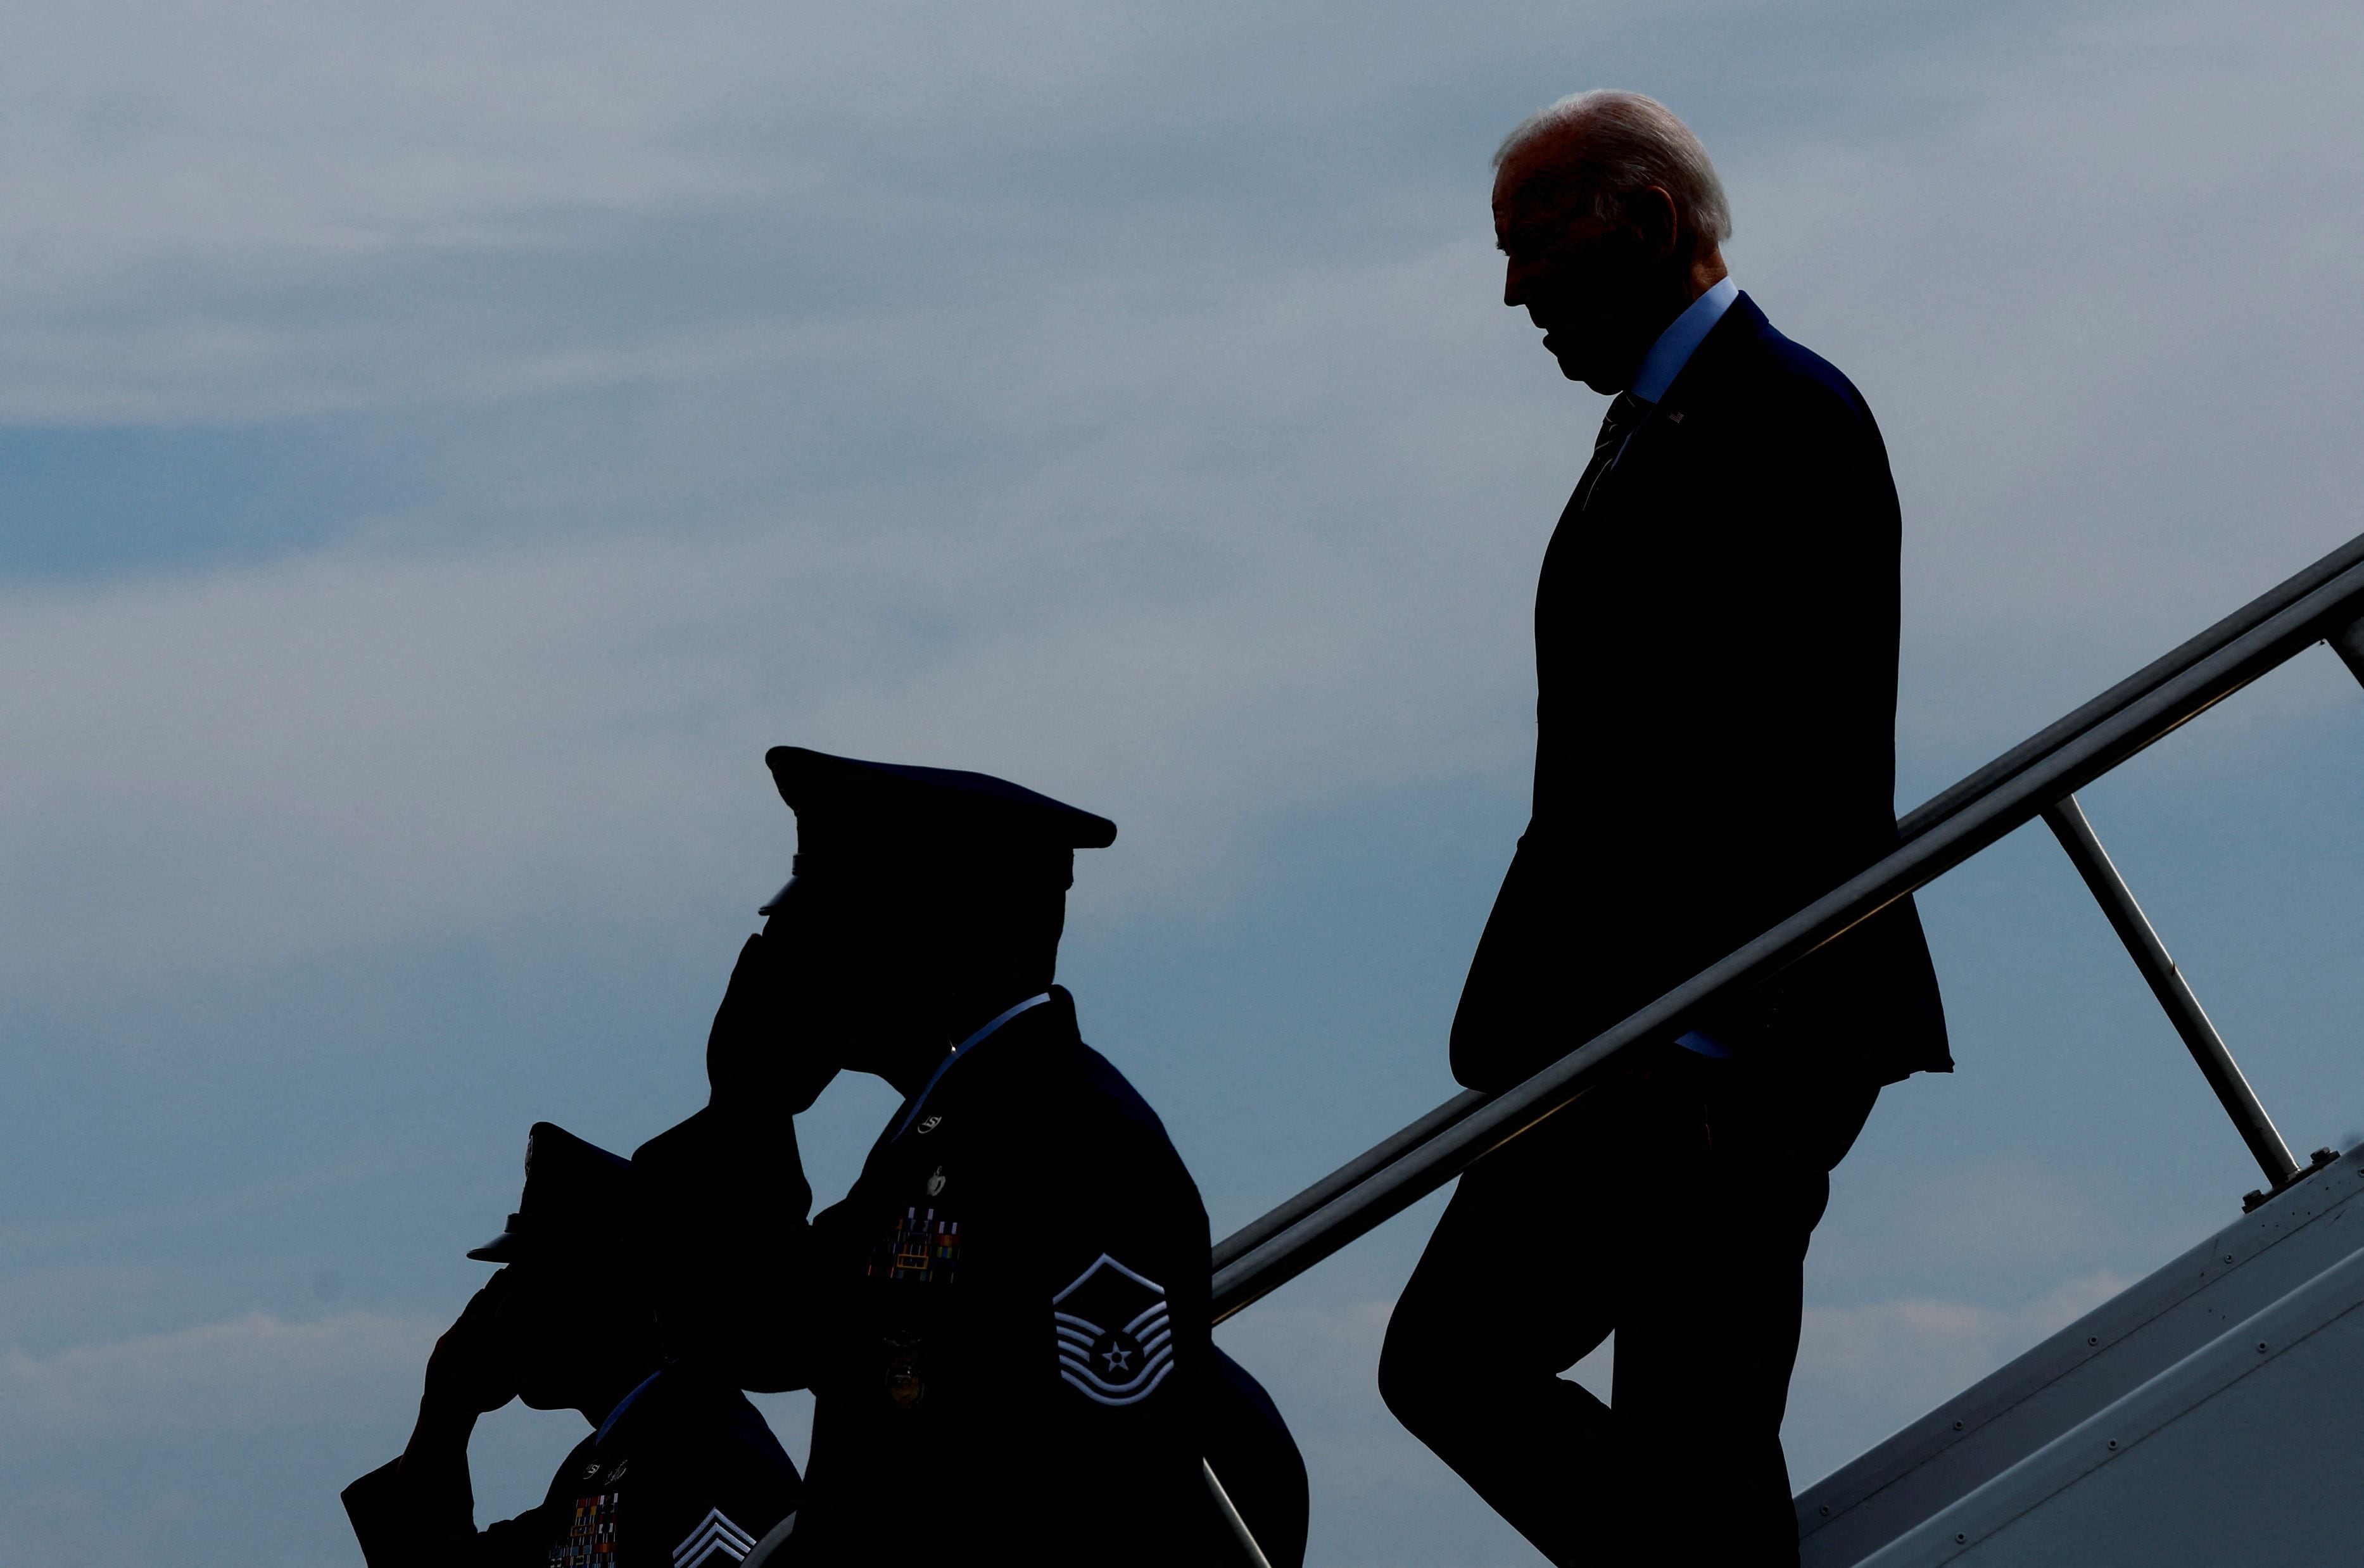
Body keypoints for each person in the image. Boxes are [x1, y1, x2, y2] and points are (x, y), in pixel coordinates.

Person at [1375, 91, 1951, 1565]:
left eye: (1533, 246)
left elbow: (1790, 754)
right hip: (1656, 1032)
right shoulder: (1661, 429)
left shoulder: (1775, 418)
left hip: (1716, 1038)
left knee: (1481, 1363)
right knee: (1685, 1435)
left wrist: (1709, 1038)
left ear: (1642, 218)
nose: (1512, 293)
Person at [633, 745, 1305, 1567]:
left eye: (830, 923)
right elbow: (754, 1332)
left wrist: (748, 1104)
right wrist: (748, 1104)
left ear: (928, 929)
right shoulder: (946, 1143)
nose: (792, 960)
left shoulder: (1065, 1135)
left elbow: (1108, 1477)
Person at [343, 1122, 802, 1567]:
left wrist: (445, 1413)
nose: (500, 1312)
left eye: (525, 1280)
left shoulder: (703, 1454)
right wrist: (446, 1411)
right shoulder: (604, 1466)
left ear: (609, 1292)